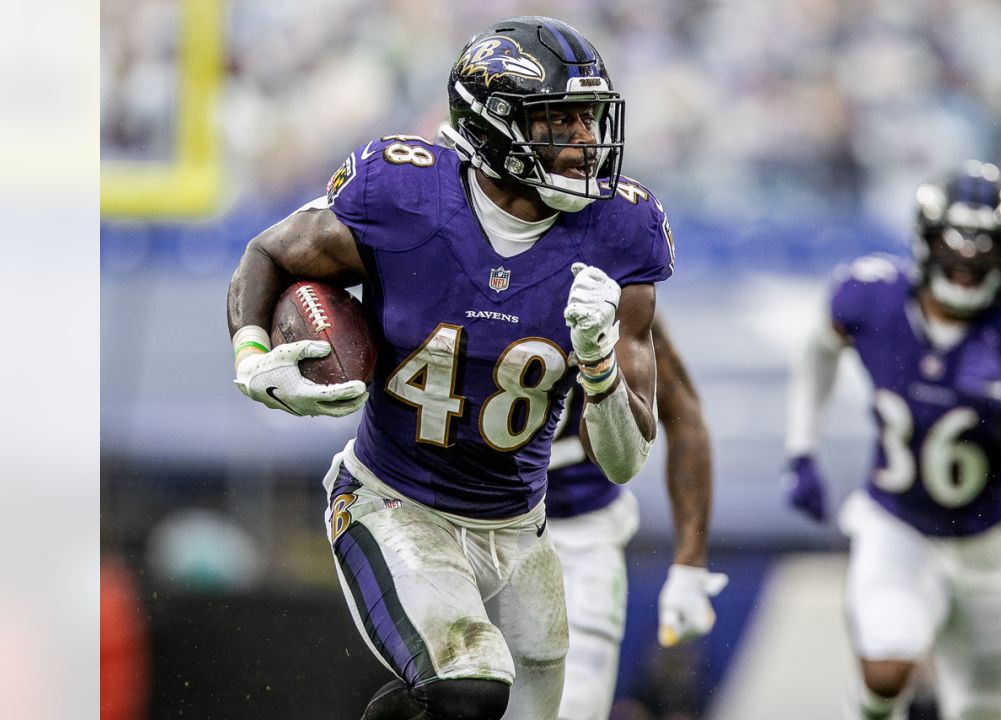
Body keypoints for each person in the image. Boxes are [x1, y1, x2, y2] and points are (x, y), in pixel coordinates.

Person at [226, 16, 675, 720]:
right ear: (494, 126)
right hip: (393, 502)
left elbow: (621, 462)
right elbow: (270, 253)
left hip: (521, 528)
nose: (586, 142)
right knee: (467, 687)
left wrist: (597, 361)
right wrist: (251, 353)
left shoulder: (622, 234)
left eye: (589, 120)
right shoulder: (403, 198)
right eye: (560, 121)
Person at [783, 161, 1001, 720]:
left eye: (984, 247)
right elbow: (818, 351)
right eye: (955, 245)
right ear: (924, 243)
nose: (967, 261)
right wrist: (801, 448)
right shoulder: (870, 299)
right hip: (897, 524)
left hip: (987, 544)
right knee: (888, 666)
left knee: (984, 706)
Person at [545, 313, 726, 720]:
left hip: (577, 526)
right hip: (458, 517)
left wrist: (691, 565)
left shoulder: (605, 292)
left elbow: (685, 417)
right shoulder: (449, 265)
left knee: (575, 706)